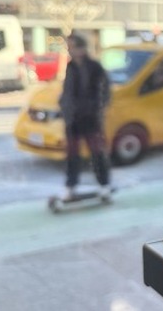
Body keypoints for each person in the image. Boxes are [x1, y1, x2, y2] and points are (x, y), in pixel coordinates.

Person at [58, 33, 112, 200]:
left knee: (97, 153)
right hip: (73, 118)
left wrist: (97, 108)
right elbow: (67, 91)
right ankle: (70, 186)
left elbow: (105, 90)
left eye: (72, 47)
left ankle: (104, 184)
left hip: (90, 117)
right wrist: (64, 107)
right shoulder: (71, 67)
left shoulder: (94, 67)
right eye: (68, 47)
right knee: (72, 154)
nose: (70, 50)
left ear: (81, 48)